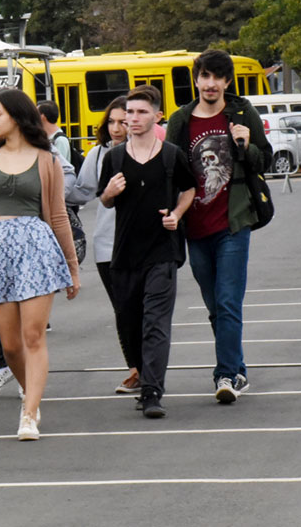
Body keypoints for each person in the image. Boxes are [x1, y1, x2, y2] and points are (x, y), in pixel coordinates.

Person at [0, 88, 80, 441]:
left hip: (37, 250)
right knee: (10, 345)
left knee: (33, 336)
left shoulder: (47, 159)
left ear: (15, 114)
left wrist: (72, 267)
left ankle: (29, 412)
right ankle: (31, 391)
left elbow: (58, 215)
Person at [166, 49, 272, 404]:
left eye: (218, 77)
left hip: (233, 222)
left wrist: (244, 143)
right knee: (214, 305)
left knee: (228, 301)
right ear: (196, 79)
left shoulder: (242, 113)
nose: (210, 84)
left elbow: (266, 159)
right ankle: (237, 366)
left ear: (227, 81)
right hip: (194, 227)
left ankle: (226, 375)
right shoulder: (181, 120)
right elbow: (171, 170)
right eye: (205, 76)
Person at [99, 86, 196, 418]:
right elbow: (104, 199)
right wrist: (109, 193)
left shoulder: (171, 155)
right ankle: (142, 374)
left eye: (141, 112)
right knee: (130, 322)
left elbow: (189, 189)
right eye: (129, 112)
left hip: (162, 252)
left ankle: (153, 391)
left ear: (156, 116)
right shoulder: (113, 157)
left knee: (156, 322)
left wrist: (177, 215)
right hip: (125, 253)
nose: (133, 118)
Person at [68, 96, 136, 392]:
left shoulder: (148, 152)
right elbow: (81, 192)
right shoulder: (98, 154)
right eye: (111, 121)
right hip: (108, 245)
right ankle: (136, 369)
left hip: (143, 243)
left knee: (144, 311)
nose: (117, 128)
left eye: (123, 121)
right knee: (122, 310)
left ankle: (149, 369)